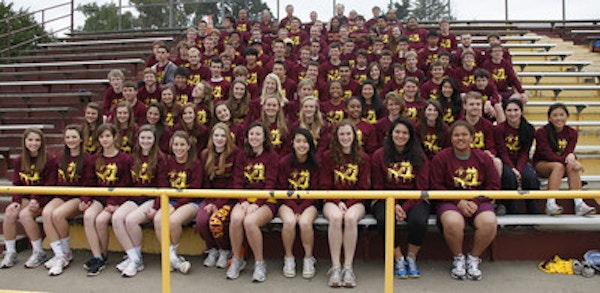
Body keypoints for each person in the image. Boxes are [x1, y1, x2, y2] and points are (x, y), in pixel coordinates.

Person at [430, 120, 500, 281]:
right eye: (456, 135)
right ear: (451, 137)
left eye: (464, 135)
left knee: (489, 222)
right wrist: (458, 201)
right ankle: (458, 258)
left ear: (472, 137)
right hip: (450, 200)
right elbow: (436, 185)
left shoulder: (483, 158)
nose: (460, 138)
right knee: (453, 222)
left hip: (478, 201)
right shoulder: (441, 158)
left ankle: (474, 258)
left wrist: (475, 201)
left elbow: (494, 185)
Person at [371, 118, 431, 278]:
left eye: (405, 133)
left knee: (418, 220)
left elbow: (422, 187)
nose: (400, 136)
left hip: (414, 198)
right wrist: (394, 204)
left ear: (410, 136)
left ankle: (411, 258)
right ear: (391, 134)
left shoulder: (420, 156)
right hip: (385, 198)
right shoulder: (379, 155)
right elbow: (378, 186)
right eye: (397, 132)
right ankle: (398, 258)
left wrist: (404, 207)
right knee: (385, 219)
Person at [320, 119, 371, 288]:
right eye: (342, 134)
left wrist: (348, 203)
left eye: (348, 133)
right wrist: (338, 201)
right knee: (335, 218)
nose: (345, 137)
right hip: (332, 199)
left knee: (349, 219)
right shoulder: (328, 156)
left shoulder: (363, 157)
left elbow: (363, 188)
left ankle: (348, 267)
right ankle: (335, 267)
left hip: (356, 201)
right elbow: (325, 185)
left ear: (354, 136)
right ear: (336, 136)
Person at [112, 125, 167, 277]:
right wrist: (117, 202)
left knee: (131, 220)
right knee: (117, 218)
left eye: (149, 138)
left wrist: (156, 207)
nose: (145, 141)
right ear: (138, 139)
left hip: (150, 198)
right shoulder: (132, 157)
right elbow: (125, 182)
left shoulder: (160, 158)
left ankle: (136, 260)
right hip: (134, 197)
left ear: (154, 139)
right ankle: (133, 258)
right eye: (143, 137)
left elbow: (163, 186)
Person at [227, 122, 278, 282]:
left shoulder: (272, 156)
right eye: (251, 134)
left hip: (266, 201)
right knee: (235, 219)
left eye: (258, 134)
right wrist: (243, 201)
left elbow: (271, 183)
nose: (254, 137)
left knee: (249, 222)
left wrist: (257, 203)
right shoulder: (241, 155)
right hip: (245, 200)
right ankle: (237, 259)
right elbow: (237, 181)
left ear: (264, 137)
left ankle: (259, 263)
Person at [1, 128, 57, 269]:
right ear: (24, 142)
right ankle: (11, 252)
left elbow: (49, 185)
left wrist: (36, 200)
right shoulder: (20, 160)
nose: (34, 143)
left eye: (37, 140)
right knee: (10, 212)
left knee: (25, 215)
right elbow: (17, 183)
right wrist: (16, 201)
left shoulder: (49, 159)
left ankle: (38, 252)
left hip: (45, 199)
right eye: (30, 140)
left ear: (42, 142)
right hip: (29, 197)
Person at [81, 123, 132, 276]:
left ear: (115, 137)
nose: (104, 140)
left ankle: (103, 255)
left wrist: (113, 202)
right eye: (101, 137)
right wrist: (85, 199)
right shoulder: (93, 159)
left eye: (108, 136)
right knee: (89, 216)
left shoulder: (124, 158)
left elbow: (126, 184)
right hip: (99, 198)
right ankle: (97, 256)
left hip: (116, 200)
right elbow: (88, 181)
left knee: (101, 220)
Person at [150, 131, 203, 274]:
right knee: (158, 219)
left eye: (182, 145)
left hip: (191, 202)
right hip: (170, 200)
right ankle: (172, 258)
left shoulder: (195, 164)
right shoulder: (167, 162)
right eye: (176, 145)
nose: (178, 148)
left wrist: (175, 205)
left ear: (188, 146)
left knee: (173, 221)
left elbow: (194, 190)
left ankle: (169, 258)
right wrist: (157, 206)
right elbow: (162, 185)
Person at [533, 103, 596, 216]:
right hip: (542, 165)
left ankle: (579, 203)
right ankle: (550, 203)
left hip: (562, 165)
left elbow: (569, 151)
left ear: (567, 117)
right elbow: (547, 154)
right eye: (555, 115)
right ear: (549, 118)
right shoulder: (541, 132)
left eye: (562, 115)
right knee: (560, 165)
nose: (558, 118)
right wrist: (572, 159)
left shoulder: (572, 133)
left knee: (570, 166)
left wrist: (572, 158)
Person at [42, 125, 87, 276]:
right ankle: (60, 255)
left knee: (57, 215)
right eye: (68, 137)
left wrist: (84, 199)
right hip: (61, 195)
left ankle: (66, 252)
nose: (71, 140)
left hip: (76, 196)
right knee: (47, 213)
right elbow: (53, 180)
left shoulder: (87, 158)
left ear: (81, 139)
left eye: (74, 137)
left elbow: (88, 182)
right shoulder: (59, 157)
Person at [277, 129, 320, 279]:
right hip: (287, 202)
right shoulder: (284, 162)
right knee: (289, 222)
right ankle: (289, 258)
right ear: (293, 144)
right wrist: (294, 208)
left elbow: (315, 191)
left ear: (310, 144)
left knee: (305, 223)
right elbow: (281, 189)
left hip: (309, 203)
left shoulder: (315, 164)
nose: (302, 145)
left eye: (305, 142)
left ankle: (308, 258)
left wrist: (301, 209)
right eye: (298, 141)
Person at [195, 123, 237, 269]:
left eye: (223, 135)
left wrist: (218, 204)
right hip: (210, 197)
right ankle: (212, 249)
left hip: (228, 199)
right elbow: (205, 182)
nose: (219, 139)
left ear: (228, 138)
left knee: (216, 221)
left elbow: (233, 183)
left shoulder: (235, 153)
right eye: (216, 135)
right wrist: (210, 202)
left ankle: (224, 250)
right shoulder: (205, 154)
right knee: (201, 221)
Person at [494, 99, 540, 214]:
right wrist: (512, 168)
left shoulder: (528, 129)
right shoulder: (499, 129)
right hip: (505, 161)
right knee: (509, 176)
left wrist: (518, 169)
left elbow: (525, 152)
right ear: (504, 112)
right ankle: (512, 212)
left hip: (521, 161)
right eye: (509, 110)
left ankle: (534, 213)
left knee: (529, 176)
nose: (512, 113)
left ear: (521, 111)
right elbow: (502, 151)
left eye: (516, 110)